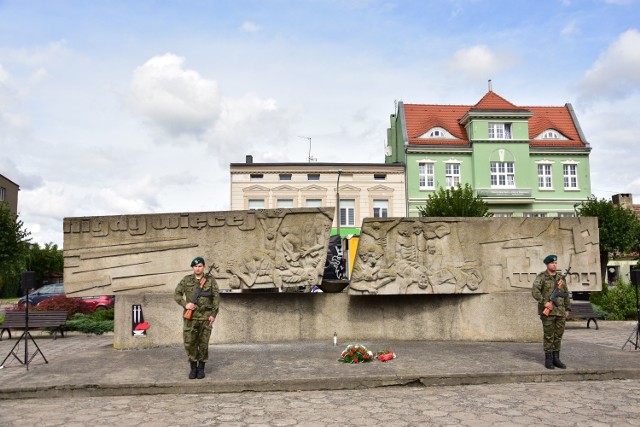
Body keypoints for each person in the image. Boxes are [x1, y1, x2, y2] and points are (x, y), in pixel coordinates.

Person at [174, 256, 220, 379]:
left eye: (200, 266)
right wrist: (186, 304)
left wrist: (213, 315)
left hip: (205, 318)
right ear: (192, 268)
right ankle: (193, 367)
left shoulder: (210, 280)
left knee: (203, 344)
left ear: (203, 267)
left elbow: (216, 298)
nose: (198, 268)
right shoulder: (186, 280)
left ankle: (201, 368)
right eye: (195, 266)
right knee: (190, 343)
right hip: (191, 318)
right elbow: (177, 294)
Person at [531, 254, 572, 369]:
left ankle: (556, 358)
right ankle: (548, 359)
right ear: (547, 264)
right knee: (549, 336)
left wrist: (567, 308)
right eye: (552, 263)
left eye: (555, 263)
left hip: (560, 312)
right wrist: (545, 303)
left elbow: (566, 294)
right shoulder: (541, 277)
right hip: (548, 312)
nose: (554, 264)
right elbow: (535, 292)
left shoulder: (560, 279)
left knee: (558, 336)